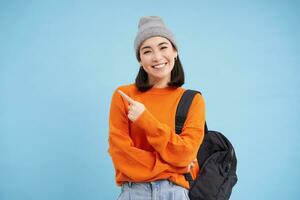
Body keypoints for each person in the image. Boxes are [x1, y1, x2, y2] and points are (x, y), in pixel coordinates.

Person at [108, 16, 206, 200]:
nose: (157, 57)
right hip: (134, 193)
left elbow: (185, 154)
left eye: (163, 47)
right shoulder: (123, 96)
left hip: (175, 193)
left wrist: (145, 119)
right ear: (140, 60)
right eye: (147, 51)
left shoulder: (192, 100)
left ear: (175, 51)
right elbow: (121, 155)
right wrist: (175, 166)